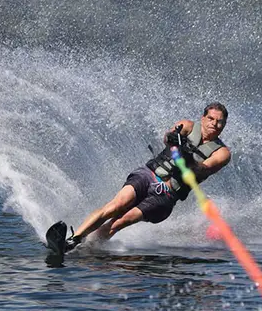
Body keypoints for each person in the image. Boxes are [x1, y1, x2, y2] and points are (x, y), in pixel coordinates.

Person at [64, 102, 231, 251]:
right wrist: (172, 138)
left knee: (122, 220)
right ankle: (73, 240)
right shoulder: (186, 125)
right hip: (149, 174)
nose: (214, 124)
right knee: (117, 205)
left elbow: (203, 169)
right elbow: (167, 138)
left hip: (167, 195)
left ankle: (89, 246)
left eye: (220, 122)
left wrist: (188, 159)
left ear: (224, 125)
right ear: (203, 118)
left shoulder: (222, 153)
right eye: (211, 119)